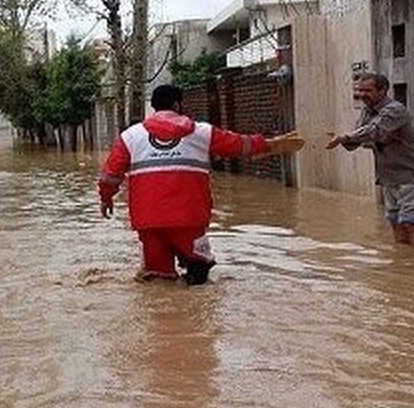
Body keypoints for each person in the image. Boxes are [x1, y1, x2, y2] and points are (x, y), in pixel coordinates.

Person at [99, 84, 303, 285]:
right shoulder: (201, 132)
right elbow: (238, 144)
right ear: (177, 105)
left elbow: (110, 175)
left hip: (148, 221)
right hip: (189, 218)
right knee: (199, 273)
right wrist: (270, 144)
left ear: (153, 106)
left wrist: (106, 198)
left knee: (157, 280)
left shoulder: (130, 137)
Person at [326, 72, 414, 248]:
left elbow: (372, 131)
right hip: (389, 177)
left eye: (367, 91)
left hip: (411, 176)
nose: (362, 95)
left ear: (383, 90)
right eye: (360, 91)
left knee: (412, 223)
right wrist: (345, 139)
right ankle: (404, 265)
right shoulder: (367, 112)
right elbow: (359, 138)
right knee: (395, 221)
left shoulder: (395, 110)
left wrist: (346, 137)